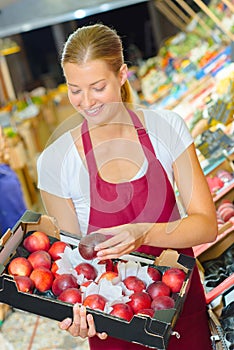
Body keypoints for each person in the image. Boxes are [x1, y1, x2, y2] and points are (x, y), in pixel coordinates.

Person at [37, 23, 217, 350]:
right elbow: (75, 265)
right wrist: (73, 311)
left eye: (97, 86)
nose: (86, 101)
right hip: (111, 328)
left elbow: (206, 226)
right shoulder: (55, 160)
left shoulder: (167, 129)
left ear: (122, 75)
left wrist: (144, 233)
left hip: (180, 312)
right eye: (75, 89)